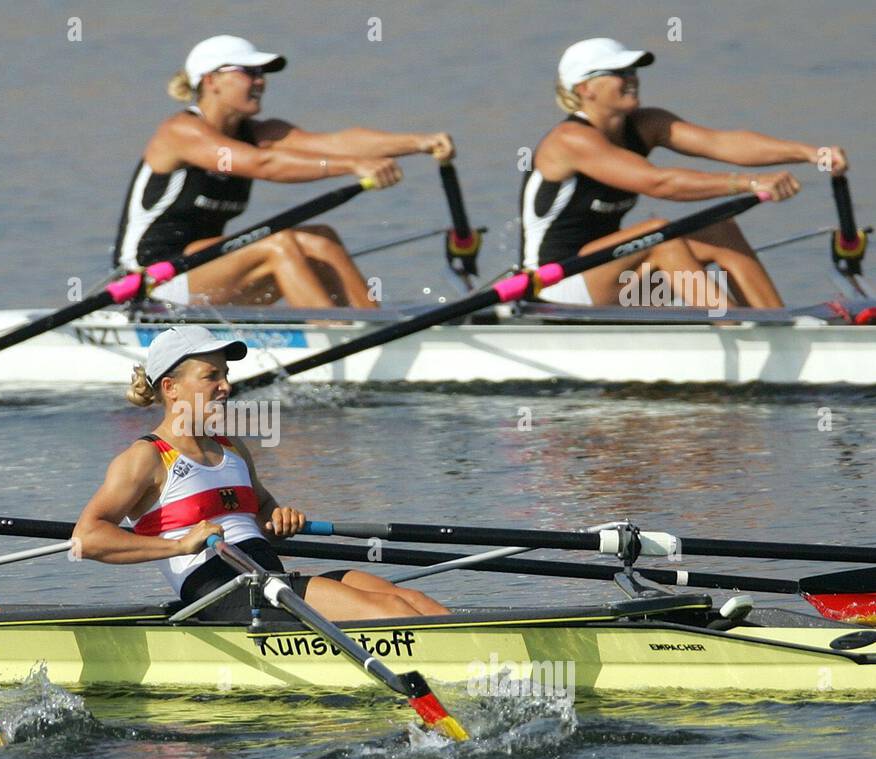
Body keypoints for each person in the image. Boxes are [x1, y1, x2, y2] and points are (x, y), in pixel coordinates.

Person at [72, 325, 449, 621]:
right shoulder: (146, 457)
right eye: (211, 376)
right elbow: (87, 539)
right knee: (388, 615)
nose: (226, 385)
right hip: (223, 592)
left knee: (413, 601)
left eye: (225, 373)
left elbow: (262, 507)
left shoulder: (232, 448)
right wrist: (178, 546)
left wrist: (277, 516)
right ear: (170, 388)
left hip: (267, 579)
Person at [113, 34, 456, 309]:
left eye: (262, 74)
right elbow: (264, 165)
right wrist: (351, 167)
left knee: (320, 237)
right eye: (249, 72)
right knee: (278, 243)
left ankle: (373, 326)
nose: (260, 82)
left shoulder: (260, 132)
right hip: (148, 279)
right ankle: (335, 337)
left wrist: (419, 142)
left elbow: (336, 143)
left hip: (201, 270)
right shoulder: (181, 132)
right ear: (211, 80)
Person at [521, 37, 848, 308]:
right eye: (619, 71)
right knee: (659, 235)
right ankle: (733, 325)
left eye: (633, 69)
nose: (632, 77)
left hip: (611, 276)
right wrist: (751, 183)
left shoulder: (648, 125)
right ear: (584, 88)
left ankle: (777, 325)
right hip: (554, 283)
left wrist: (809, 153)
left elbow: (722, 143)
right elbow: (658, 183)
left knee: (720, 230)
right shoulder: (570, 140)